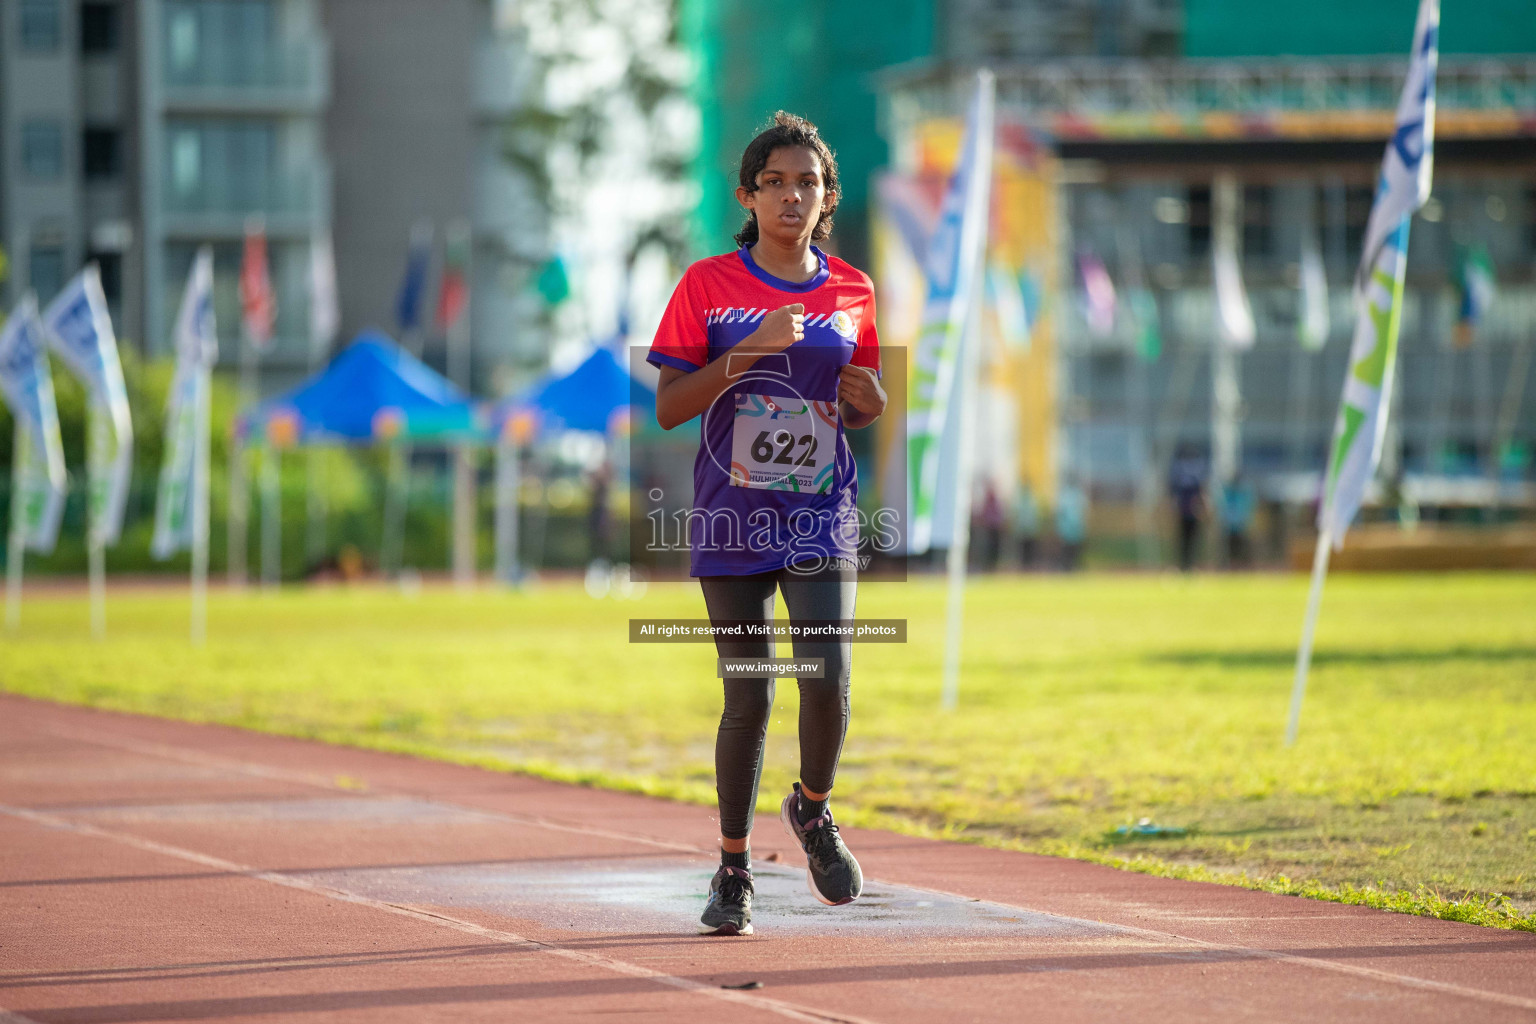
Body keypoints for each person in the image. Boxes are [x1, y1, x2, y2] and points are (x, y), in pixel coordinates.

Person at [648, 112, 886, 936]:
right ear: (748, 195)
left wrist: (872, 401)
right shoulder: (707, 286)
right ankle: (733, 869)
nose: (794, 196)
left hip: (821, 512)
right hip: (732, 515)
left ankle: (813, 809)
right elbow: (672, 407)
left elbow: (859, 396)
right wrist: (747, 351)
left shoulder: (853, 290)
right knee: (747, 692)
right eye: (777, 183)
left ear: (828, 200)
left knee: (828, 675)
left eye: (809, 183)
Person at [1168, 446, 1206, 572]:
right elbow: (1174, 495)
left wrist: (1202, 507)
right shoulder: (1180, 476)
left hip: (1192, 512)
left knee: (1192, 541)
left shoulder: (1196, 476)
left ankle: (1191, 566)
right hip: (1183, 512)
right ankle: (1183, 566)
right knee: (1183, 541)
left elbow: (1201, 493)